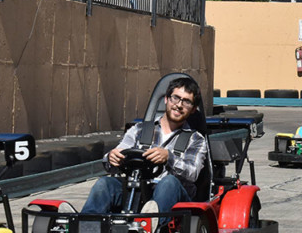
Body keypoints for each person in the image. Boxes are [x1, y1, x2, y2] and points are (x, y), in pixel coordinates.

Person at [82, 77, 209, 214]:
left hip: (175, 200)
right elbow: (120, 152)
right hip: (138, 191)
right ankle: (84, 225)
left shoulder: (196, 139)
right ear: (166, 99)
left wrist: (169, 157)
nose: (178, 105)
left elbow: (193, 173)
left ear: (193, 109)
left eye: (186, 102)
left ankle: (152, 226)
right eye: (175, 98)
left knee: (168, 182)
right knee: (104, 184)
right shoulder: (139, 130)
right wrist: (111, 157)